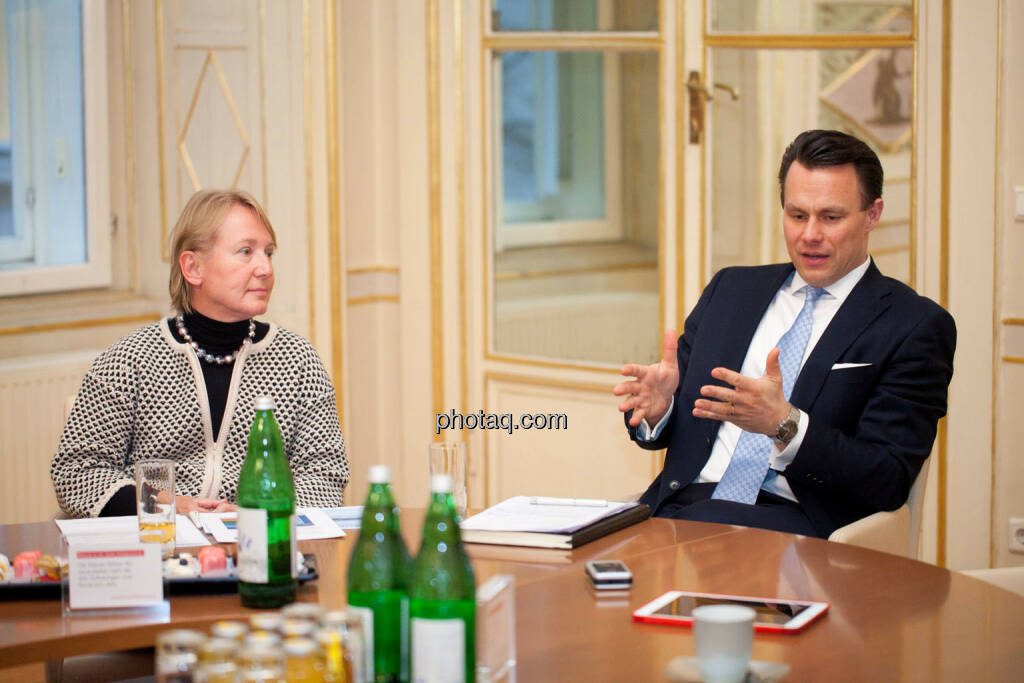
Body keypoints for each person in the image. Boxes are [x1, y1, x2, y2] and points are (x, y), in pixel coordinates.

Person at [614, 129, 956, 538]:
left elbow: (886, 477)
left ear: (873, 214)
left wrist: (784, 424)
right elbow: (681, 431)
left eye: (831, 217)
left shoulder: (913, 325)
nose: (809, 234)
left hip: (795, 525)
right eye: (797, 215)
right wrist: (660, 410)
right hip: (681, 510)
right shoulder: (732, 290)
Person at [52, 189, 349, 517]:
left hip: (260, 547)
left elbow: (326, 476)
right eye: (246, 252)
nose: (265, 268)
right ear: (193, 268)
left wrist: (253, 514)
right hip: (159, 549)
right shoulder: (129, 361)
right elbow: (76, 474)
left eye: (268, 252)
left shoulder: (298, 362)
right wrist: (168, 504)